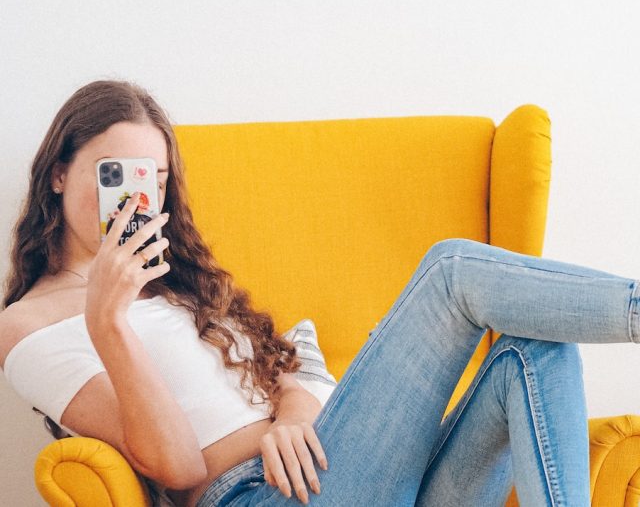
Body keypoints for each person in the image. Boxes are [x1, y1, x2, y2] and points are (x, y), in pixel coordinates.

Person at [0, 80, 638, 507]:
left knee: (538, 350)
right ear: (59, 173)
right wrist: (108, 319)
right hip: (262, 494)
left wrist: (294, 415)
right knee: (448, 273)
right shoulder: (29, 325)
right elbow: (178, 467)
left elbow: (286, 365)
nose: (139, 198)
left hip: (343, 467)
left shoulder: (181, 287)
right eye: (118, 175)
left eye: (156, 178)